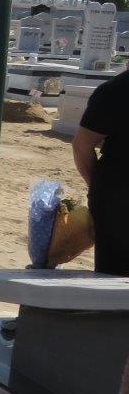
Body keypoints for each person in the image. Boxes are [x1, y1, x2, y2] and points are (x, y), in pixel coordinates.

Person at [73, 70, 129, 275]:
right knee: (115, 276)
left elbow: (82, 146)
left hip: (116, 196)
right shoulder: (118, 90)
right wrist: (98, 189)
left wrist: (96, 188)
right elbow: (83, 145)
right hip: (120, 200)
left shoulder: (114, 89)